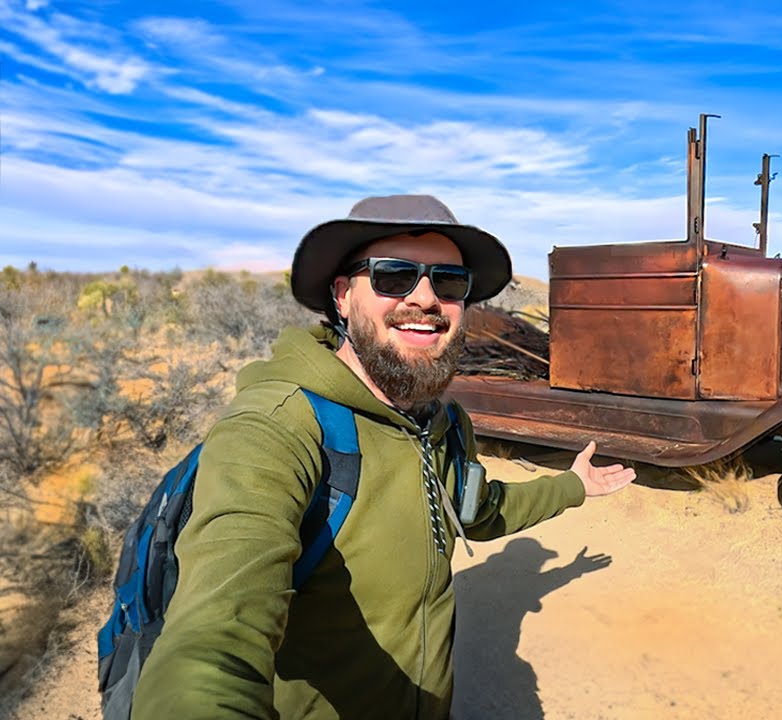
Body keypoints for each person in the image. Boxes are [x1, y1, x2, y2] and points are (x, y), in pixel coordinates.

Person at [131, 195, 636, 719]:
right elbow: (215, 632)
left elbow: (476, 511)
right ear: (343, 296)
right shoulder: (276, 429)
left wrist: (573, 486)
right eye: (392, 276)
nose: (425, 297)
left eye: (448, 281)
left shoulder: (442, 422)